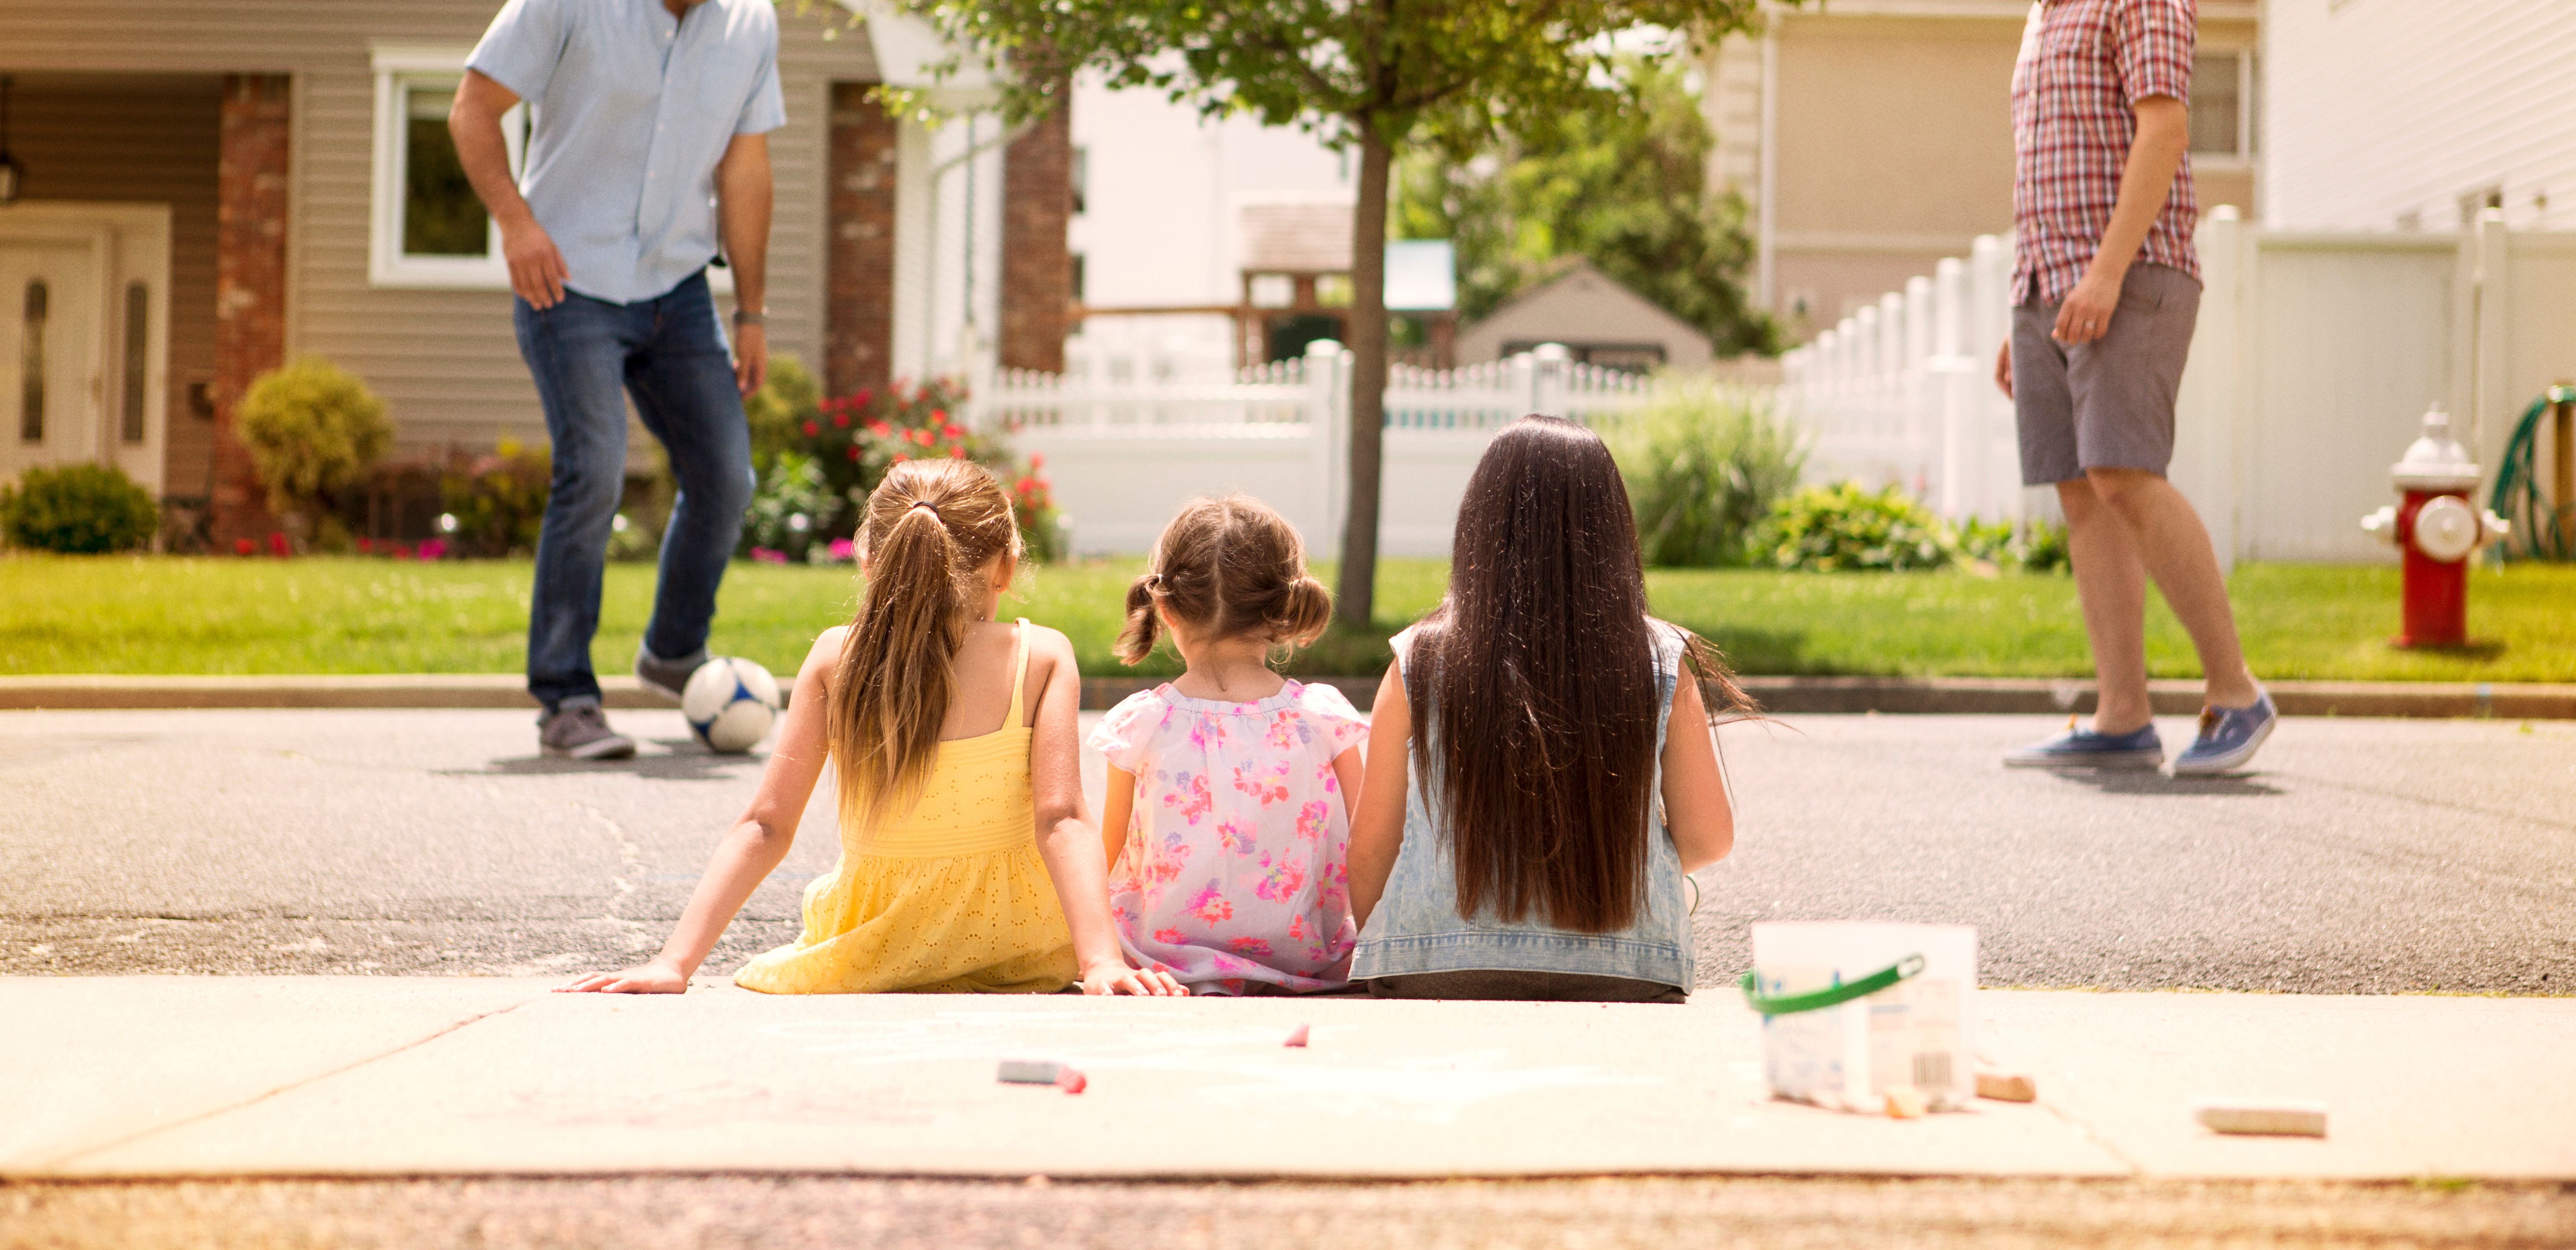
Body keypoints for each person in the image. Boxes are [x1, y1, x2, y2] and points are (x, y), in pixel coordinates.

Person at [565, 458, 1183, 996]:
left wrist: (674, 963)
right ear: (1006, 565)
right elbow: (1062, 820)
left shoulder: (837, 657)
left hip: (874, 948)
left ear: (869, 563)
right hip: (1020, 949)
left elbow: (765, 826)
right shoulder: (1042, 655)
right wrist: (1100, 961)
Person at [451, 0, 782, 761]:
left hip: (678, 289)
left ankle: (674, 653)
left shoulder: (750, 20)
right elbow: (473, 109)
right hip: (568, 284)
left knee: (726, 475)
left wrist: (752, 312)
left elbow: (746, 168)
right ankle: (566, 697)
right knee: (593, 473)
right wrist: (516, 223)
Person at [1987, 0, 2276, 776]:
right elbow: (2050, 160)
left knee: (2124, 474)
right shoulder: (2044, 5)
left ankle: (2237, 693)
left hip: (2130, 273)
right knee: (2081, 493)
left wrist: (2106, 272)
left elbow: (2162, 134)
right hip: (2051, 282)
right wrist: (2027, 298)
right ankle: (2122, 716)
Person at [1346, 415, 1737, 1002]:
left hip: (1436, 964)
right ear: (1613, 531)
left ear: (1479, 528)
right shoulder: (1660, 659)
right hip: (1629, 970)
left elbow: (1372, 850)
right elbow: (1708, 837)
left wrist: (1394, 949)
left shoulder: (1419, 661)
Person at [1090, 497, 1367, 994]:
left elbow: (1104, 858)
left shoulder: (1143, 724)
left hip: (1162, 964)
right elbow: (1370, 846)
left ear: (1165, 608)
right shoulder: (1323, 718)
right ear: (1284, 610)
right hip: (1303, 960)